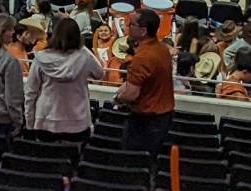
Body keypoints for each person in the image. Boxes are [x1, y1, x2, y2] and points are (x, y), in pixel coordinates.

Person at [24, 16, 104, 148]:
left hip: (45, 121)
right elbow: (100, 74)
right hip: (77, 122)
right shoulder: (85, 56)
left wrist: (30, 123)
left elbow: (30, 93)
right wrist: (83, 48)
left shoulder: (40, 58)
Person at [116, 8, 175, 152]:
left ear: (142, 31)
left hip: (146, 120)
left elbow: (131, 94)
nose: (128, 26)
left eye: (131, 24)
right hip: (163, 117)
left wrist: (118, 98)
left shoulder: (143, 57)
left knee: (134, 160)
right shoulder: (162, 49)